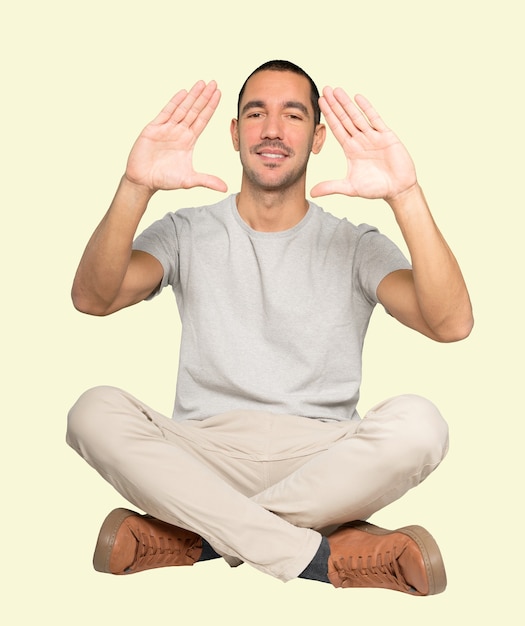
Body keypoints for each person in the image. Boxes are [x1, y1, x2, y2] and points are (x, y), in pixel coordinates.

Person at [66, 60, 473, 595]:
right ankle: (321, 558)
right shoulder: (187, 231)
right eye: (256, 113)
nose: (273, 130)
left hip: (325, 461)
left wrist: (405, 194)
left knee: (422, 424)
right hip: (203, 454)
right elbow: (92, 298)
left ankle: (203, 538)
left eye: (293, 115)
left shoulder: (355, 244)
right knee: (92, 411)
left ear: (319, 137)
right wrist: (135, 186)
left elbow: (452, 324)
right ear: (235, 135)